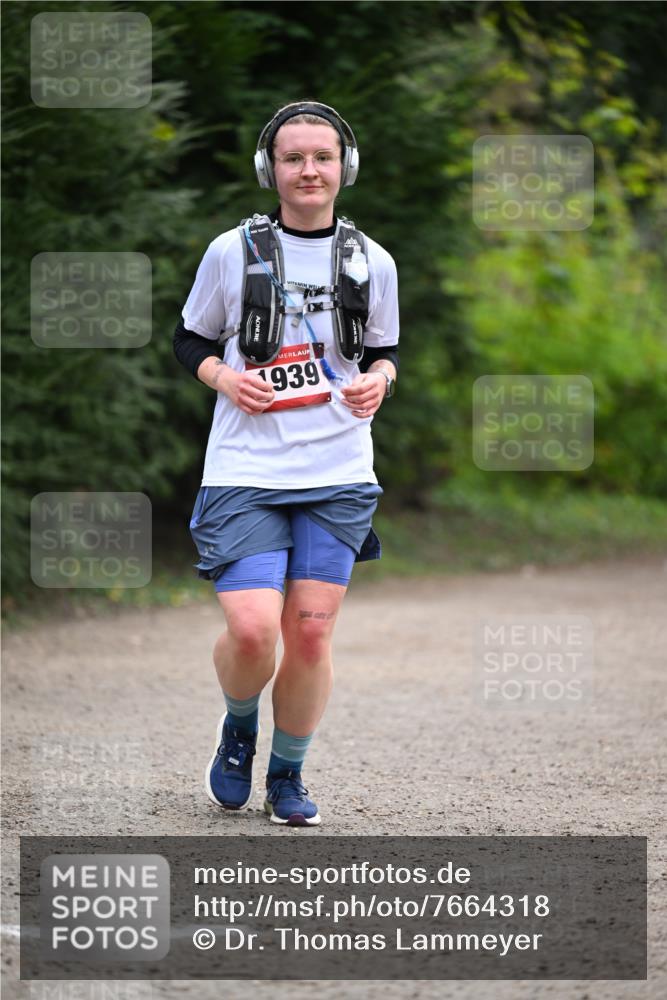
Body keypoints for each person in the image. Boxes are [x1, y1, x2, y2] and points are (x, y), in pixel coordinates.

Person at [173, 101, 399, 826]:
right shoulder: (230, 252)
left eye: (322, 157)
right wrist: (222, 377)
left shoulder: (372, 261)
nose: (308, 169)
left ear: (345, 167)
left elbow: (385, 351)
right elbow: (188, 339)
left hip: (336, 469)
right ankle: (239, 725)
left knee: (308, 630)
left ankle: (288, 776)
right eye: (294, 157)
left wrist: (380, 380)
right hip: (245, 467)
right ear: (269, 167)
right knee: (251, 629)